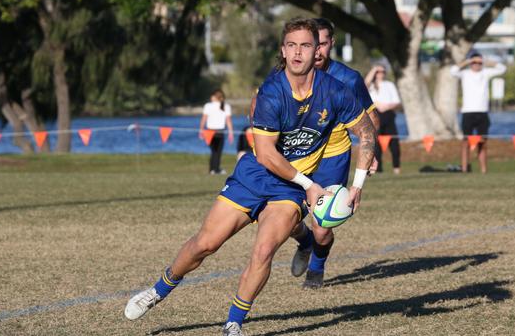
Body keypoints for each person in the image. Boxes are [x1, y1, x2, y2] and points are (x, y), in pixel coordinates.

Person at [124, 17, 377, 336]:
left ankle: (233, 323)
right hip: (256, 177)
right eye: (292, 46)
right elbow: (267, 154)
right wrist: (310, 185)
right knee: (205, 243)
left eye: (306, 46)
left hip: (289, 191)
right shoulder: (272, 92)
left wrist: (356, 187)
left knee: (263, 251)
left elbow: (366, 132)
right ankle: (158, 290)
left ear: (318, 52)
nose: (298, 53)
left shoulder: (337, 91)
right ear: (283, 52)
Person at [284, 18, 380, 289]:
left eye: (322, 44)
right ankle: (304, 242)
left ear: (330, 44)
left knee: (322, 225)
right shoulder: (288, 73)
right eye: (312, 45)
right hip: (297, 153)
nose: (316, 52)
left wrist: (370, 151)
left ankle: (317, 266)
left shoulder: (348, 79)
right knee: (286, 219)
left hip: (333, 156)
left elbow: (371, 119)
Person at [450, 51, 506, 174]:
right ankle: (464, 169)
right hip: (468, 112)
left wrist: (485, 61)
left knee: (483, 142)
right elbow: (453, 70)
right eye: (474, 62)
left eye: (478, 62)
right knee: (466, 142)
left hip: (482, 112)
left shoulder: (486, 73)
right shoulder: (465, 74)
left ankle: (483, 170)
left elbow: (502, 68)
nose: (476, 65)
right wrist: (468, 61)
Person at [365, 64, 402, 174]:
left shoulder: (389, 85)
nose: (380, 74)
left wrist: (386, 106)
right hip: (375, 115)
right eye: (378, 72)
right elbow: (365, 84)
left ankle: (396, 168)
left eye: (382, 72)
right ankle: (378, 169)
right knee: (376, 143)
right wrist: (374, 69)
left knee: (394, 142)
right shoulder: (370, 86)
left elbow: (396, 101)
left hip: (388, 115)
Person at [199, 89, 234, 174]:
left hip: (210, 131)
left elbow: (203, 119)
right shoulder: (226, 106)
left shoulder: (208, 106)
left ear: (215, 96)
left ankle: (213, 169)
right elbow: (228, 121)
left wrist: (201, 130)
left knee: (214, 151)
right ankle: (215, 169)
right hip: (219, 132)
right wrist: (231, 133)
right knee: (217, 151)